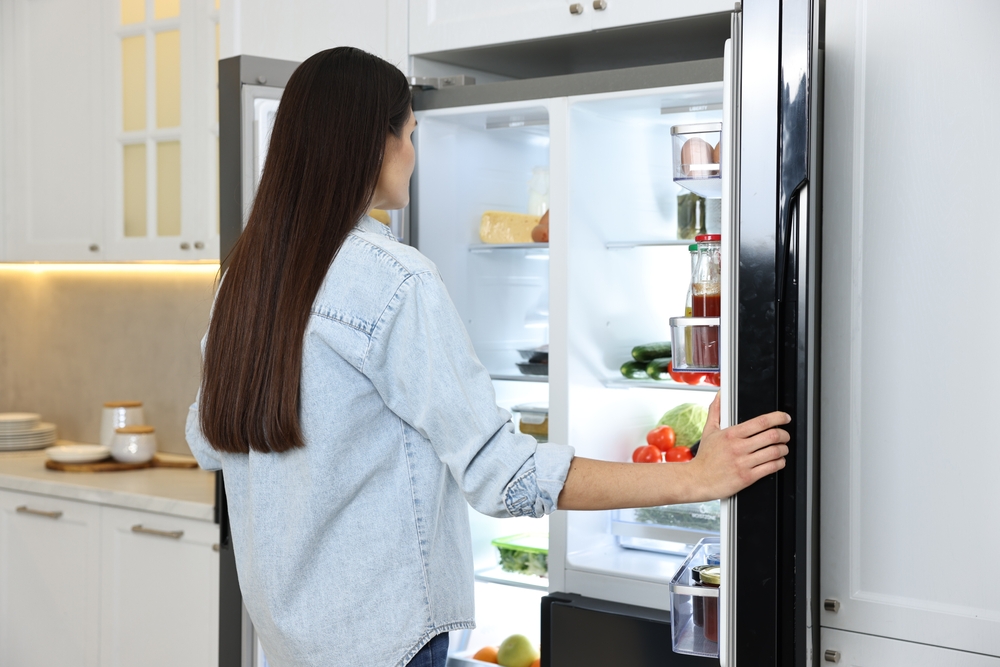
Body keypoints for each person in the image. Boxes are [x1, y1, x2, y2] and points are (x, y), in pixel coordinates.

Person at [186, 47, 790, 667]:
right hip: (387, 646)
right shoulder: (396, 281)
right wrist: (694, 476)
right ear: (377, 144)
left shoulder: (247, 282)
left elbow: (210, 441)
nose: (414, 157)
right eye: (411, 134)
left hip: (290, 642)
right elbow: (502, 475)